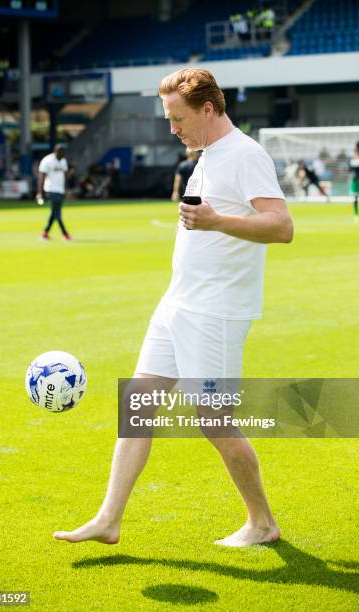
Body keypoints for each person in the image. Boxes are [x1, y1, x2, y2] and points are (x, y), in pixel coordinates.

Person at [53, 68, 293, 548]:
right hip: (178, 304)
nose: (172, 128)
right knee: (137, 406)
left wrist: (215, 220)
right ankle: (109, 519)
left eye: (177, 117)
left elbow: (281, 226)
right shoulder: (207, 154)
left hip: (215, 314)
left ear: (208, 109)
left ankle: (262, 522)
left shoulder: (245, 155)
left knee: (214, 421)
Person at [36, 144, 71, 240]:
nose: (63, 155)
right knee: (57, 213)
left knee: (54, 213)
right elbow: (41, 177)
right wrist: (39, 193)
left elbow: (65, 176)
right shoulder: (47, 161)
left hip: (60, 190)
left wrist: (66, 190)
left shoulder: (63, 161)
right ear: (56, 152)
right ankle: (65, 233)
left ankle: (45, 233)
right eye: (61, 153)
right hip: (50, 189)